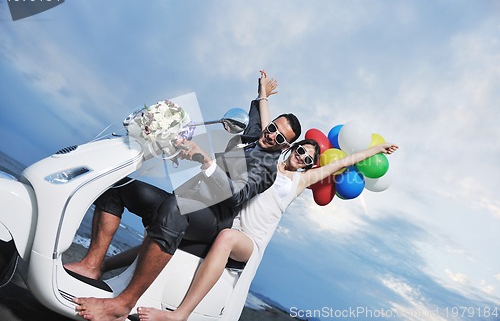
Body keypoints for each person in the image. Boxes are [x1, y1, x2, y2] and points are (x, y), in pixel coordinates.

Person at [68, 71, 302, 321]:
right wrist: (263, 92)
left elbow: (237, 195)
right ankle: (92, 265)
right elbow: (256, 113)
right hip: (189, 198)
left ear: (284, 147)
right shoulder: (257, 134)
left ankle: (124, 303)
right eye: (273, 128)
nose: (270, 135)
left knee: (174, 209)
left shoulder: (266, 169)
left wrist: (205, 160)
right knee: (121, 188)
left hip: (213, 218)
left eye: (278, 137)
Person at [136, 140, 399, 321]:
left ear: (309, 166)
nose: (303, 157)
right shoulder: (267, 164)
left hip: (249, 241)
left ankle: (180, 314)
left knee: (226, 238)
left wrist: (377, 148)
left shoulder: (300, 180)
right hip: (229, 225)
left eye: (308, 159)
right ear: (293, 149)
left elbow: (346, 161)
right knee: (174, 225)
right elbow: (268, 127)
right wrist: (263, 95)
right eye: (301, 151)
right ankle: (111, 269)